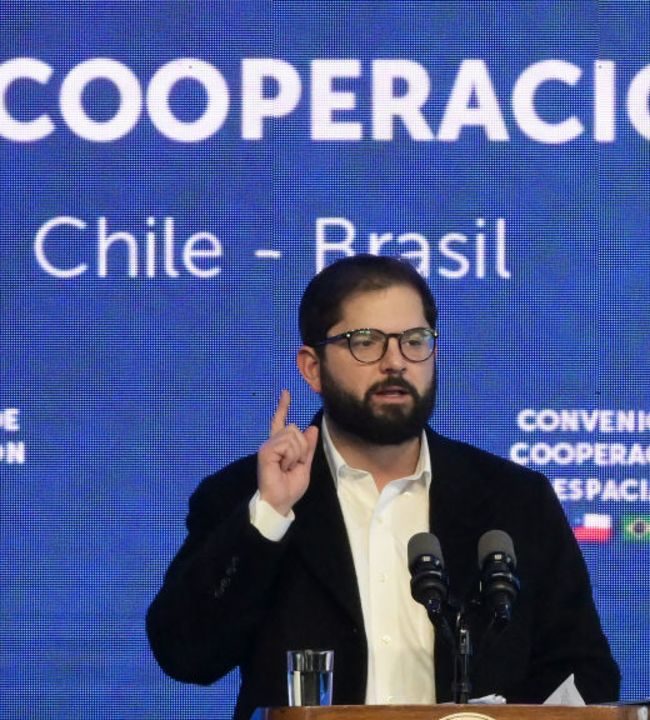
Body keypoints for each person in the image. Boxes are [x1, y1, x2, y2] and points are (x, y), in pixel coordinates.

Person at [146, 255, 620, 719]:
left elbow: (585, 672)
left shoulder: (516, 501)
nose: (395, 362)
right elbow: (186, 655)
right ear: (312, 368)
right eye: (366, 342)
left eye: (414, 341)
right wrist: (269, 514)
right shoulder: (243, 498)